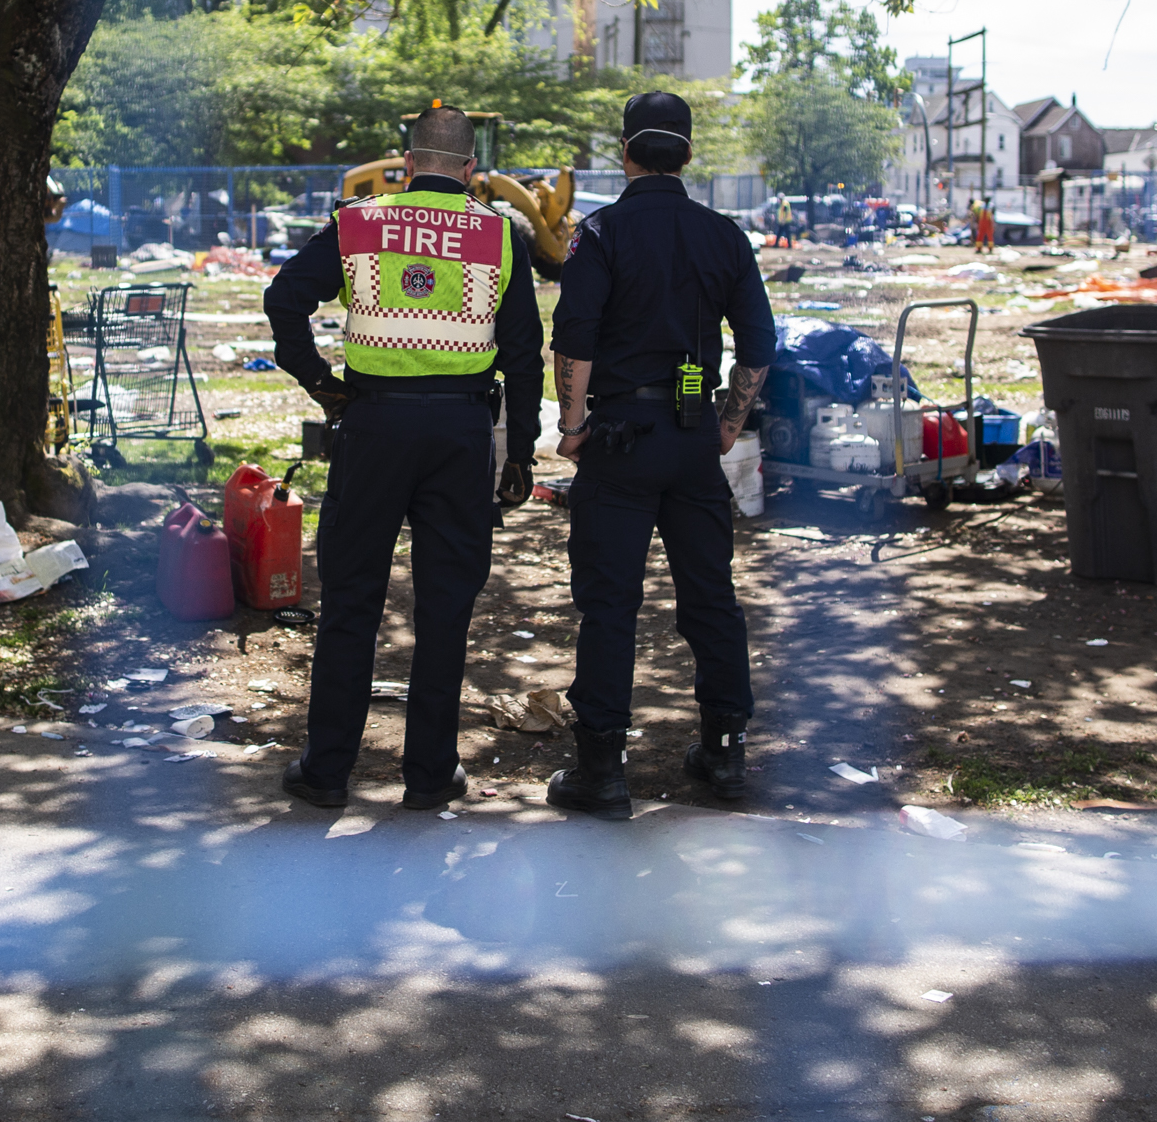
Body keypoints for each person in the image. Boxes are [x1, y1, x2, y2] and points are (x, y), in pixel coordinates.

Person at [264, 104, 542, 811]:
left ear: (409, 162)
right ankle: (428, 776)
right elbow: (523, 356)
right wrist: (524, 450)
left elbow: (284, 297)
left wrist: (320, 382)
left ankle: (327, 771)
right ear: (472, 171)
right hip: (460, 435)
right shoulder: (502, 234)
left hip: (373, 427)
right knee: (446, 607)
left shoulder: (360, 222)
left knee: (351, 600)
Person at [544, 91, 778, 821]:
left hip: (619, 438)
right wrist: (727, 423)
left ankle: (602, 767)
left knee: (611, 604)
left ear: (624, 151)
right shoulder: (725, 237)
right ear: (688, 152)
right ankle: (725, 751)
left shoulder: (601, 232)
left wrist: (573, 424)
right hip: (690, 439)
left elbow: (574, 336)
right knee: (712, 600)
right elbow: (759, 345)